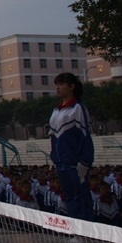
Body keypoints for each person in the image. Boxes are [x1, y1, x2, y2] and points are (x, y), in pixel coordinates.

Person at [48, 73, 94, 222]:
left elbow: (85, 137)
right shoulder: (56, 111)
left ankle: (85, 232)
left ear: (72, 86)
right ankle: (76, 231)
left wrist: (85, 161)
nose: (58, 87)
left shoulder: (78, 108)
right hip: (61, 162)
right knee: (70, 197)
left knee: (81, 196)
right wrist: (54, 156)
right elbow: (53, 137)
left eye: (61, 84)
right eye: (57, 84)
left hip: (75, 163)